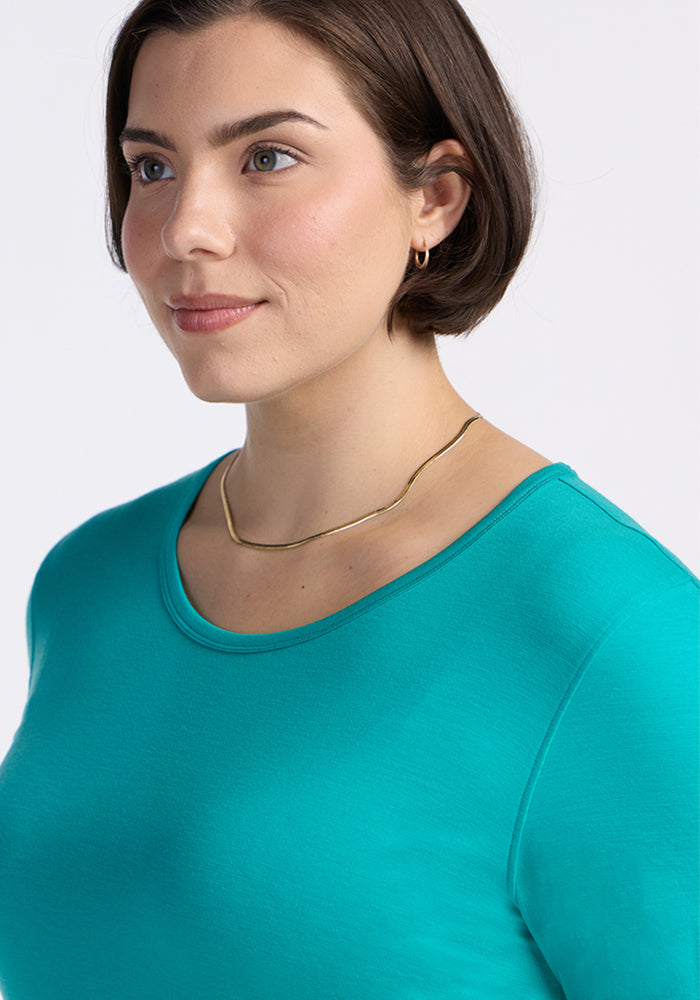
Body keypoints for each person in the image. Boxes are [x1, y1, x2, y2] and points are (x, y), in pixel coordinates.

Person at [0, 0, 697, 997]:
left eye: (267, 157)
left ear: (437, 198)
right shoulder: (85, 589)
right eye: (152, 166)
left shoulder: (608, 637)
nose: (185, 227)